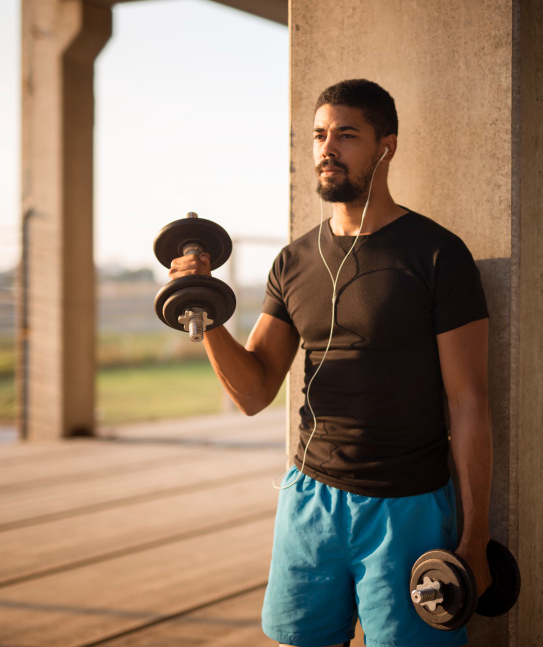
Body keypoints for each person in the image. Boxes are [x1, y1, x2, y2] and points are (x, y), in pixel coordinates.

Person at [168, 79, 492, 647]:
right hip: (308, 501)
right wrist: (205, 308)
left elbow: (468, 401)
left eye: (346, 134)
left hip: (406, 507)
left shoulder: (437, 253)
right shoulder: (292, 262)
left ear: (386, 146)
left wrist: (475, 536)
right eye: (319, 135)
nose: (327, 149)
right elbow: (253, 391)